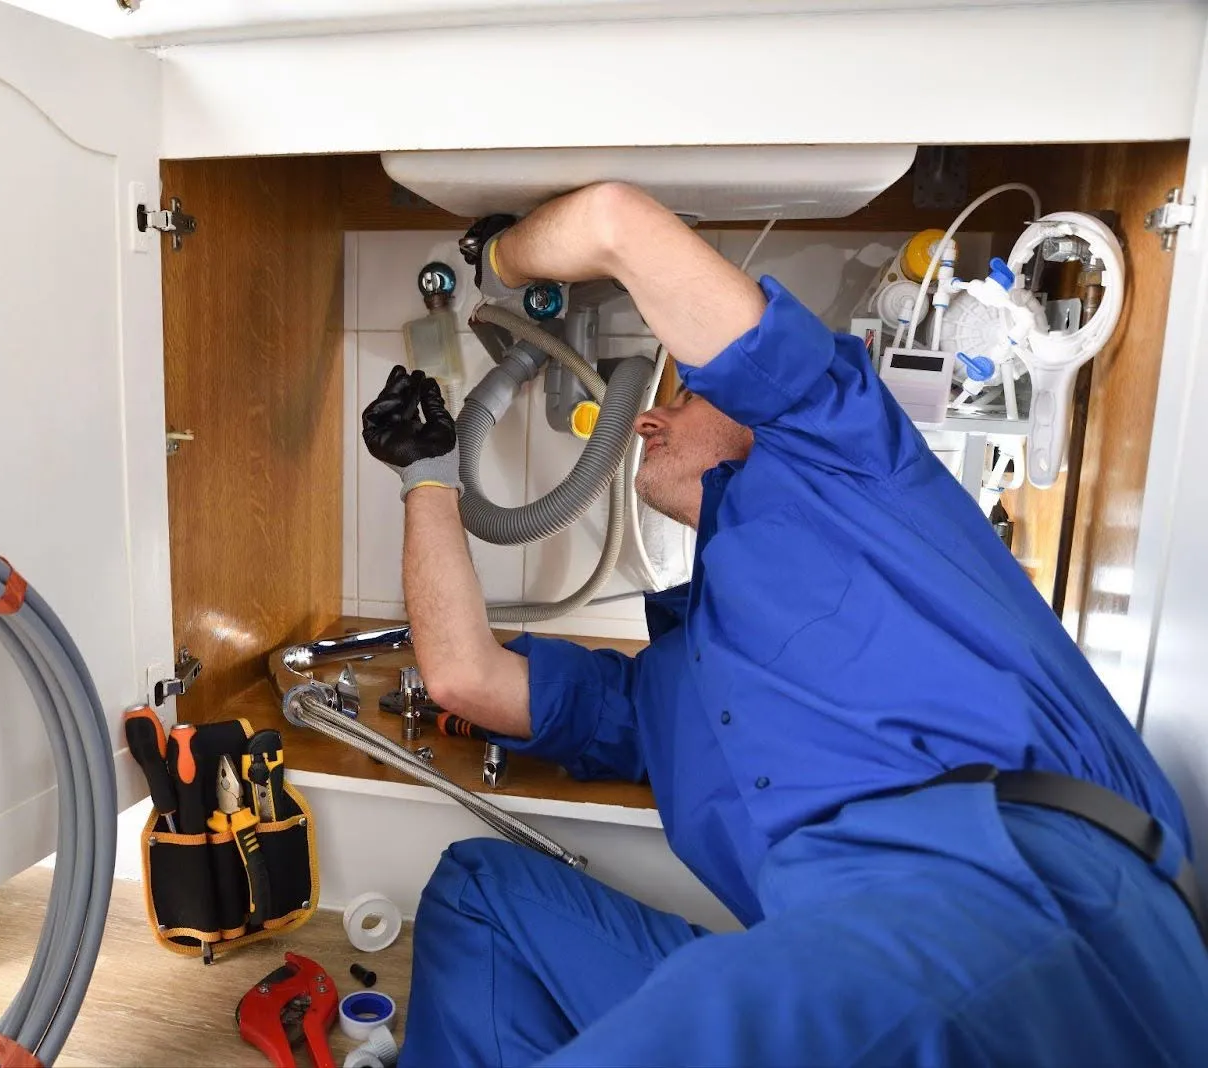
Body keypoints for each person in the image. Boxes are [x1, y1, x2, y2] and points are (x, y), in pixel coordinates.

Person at [359, 182, 1208, 1067]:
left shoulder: (851, 465)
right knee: (481, 895)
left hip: (1009, 889)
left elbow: (613, 221)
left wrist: (496, 259)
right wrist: (427, 473)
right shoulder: (668, 679)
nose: (647, 415)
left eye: (682, 397)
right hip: (825, 941)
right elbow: (463, 677)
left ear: (757, 409)